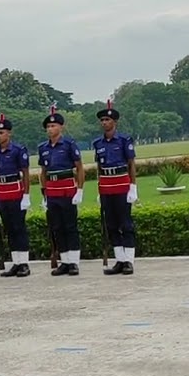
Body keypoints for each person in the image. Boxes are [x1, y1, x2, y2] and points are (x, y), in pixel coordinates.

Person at [38, 105, 84, 276]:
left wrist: (79, 190)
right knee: (57, 227)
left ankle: (73, 262)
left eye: (53, 126)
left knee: (70, 226)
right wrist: (44, 193)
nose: (50, 129)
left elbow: (79, 168)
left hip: (67, 189)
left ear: (61, 127)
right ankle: (64, 261)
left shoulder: (69, 145)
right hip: (52, 191)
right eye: (48, 127)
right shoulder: (43, 148)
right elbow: (43, 172)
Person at [93, 99, 138, 275]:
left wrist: (133, 186)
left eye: (108, 120)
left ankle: (129, 260)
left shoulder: (124, 140)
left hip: (121, 183)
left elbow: (131, 163)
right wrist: (99, 188)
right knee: (110, 224)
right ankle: (119, 259)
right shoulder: (98, 143)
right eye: (102, 120)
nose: (105, 123)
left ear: (115, 122)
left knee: (125, 223)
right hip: (106, 185)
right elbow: (99, 167)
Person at [0, 114, 32, 277]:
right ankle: (16, 262)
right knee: (9, 229)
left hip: (15, 191)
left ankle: (24, 263)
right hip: (2, 193)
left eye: (2, 133)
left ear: (9, 133)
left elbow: (25, 173)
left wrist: (26, 195)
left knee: (18, 228)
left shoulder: (18, 150)